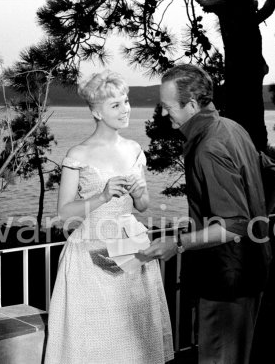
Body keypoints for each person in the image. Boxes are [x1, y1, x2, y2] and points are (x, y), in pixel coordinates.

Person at [140, 64, 271, 364]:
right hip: (251, 268)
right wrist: (259, 223)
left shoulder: (208, 147)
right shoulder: (232, 127)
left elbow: (234, 225)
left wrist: (178, 244)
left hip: (226, 279)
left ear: (192, 104)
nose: (164, 113)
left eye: (168, 106)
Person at [44, 70, 174, 364]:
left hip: (131, 248)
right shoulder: (78, 154)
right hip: (90, 254)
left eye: (126, 101)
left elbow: (143, 205)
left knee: (133, 336)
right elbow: (64, 212)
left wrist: (140, 193)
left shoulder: (134, 149)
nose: (125, 109)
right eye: (115, 105)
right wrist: (101, 196)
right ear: (96, 112)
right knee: (96, 337)